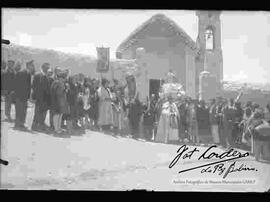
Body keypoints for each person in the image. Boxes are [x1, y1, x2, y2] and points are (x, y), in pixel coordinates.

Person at [13, 60, 35, 130]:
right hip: (19, 96)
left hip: (24, 97)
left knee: (23, 111)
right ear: (28, 65)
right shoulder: (21, 73)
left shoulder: (28, 73)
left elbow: (28, 86)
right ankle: (17, 125)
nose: (33, 67)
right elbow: (16, 85)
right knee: (19, 110)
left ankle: (21, 124)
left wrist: (28, 97)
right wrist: (17, 96)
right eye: (32, 65)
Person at [31, 63, 51, 132]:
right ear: (42, 67)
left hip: (45, 98)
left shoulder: (46, 76)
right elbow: (34, 86)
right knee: (37, 112)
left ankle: (39, 125)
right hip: (39, 98)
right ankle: (34, 126)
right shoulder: (38, 75)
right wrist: (36, 96)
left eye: (48, 68)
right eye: (46, 67)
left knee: (42, 112)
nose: (47, 69)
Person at [51, 70, 69, 134]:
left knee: (60, 115)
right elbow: (57, 93)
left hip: (61, 102)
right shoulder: (56, 83)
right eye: (63, 77)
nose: (64, 79)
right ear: (60, 77)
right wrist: (64, 90)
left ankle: (59, 128)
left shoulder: (61, 83)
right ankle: (56, 129)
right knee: (56, 115)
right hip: (56, 102)